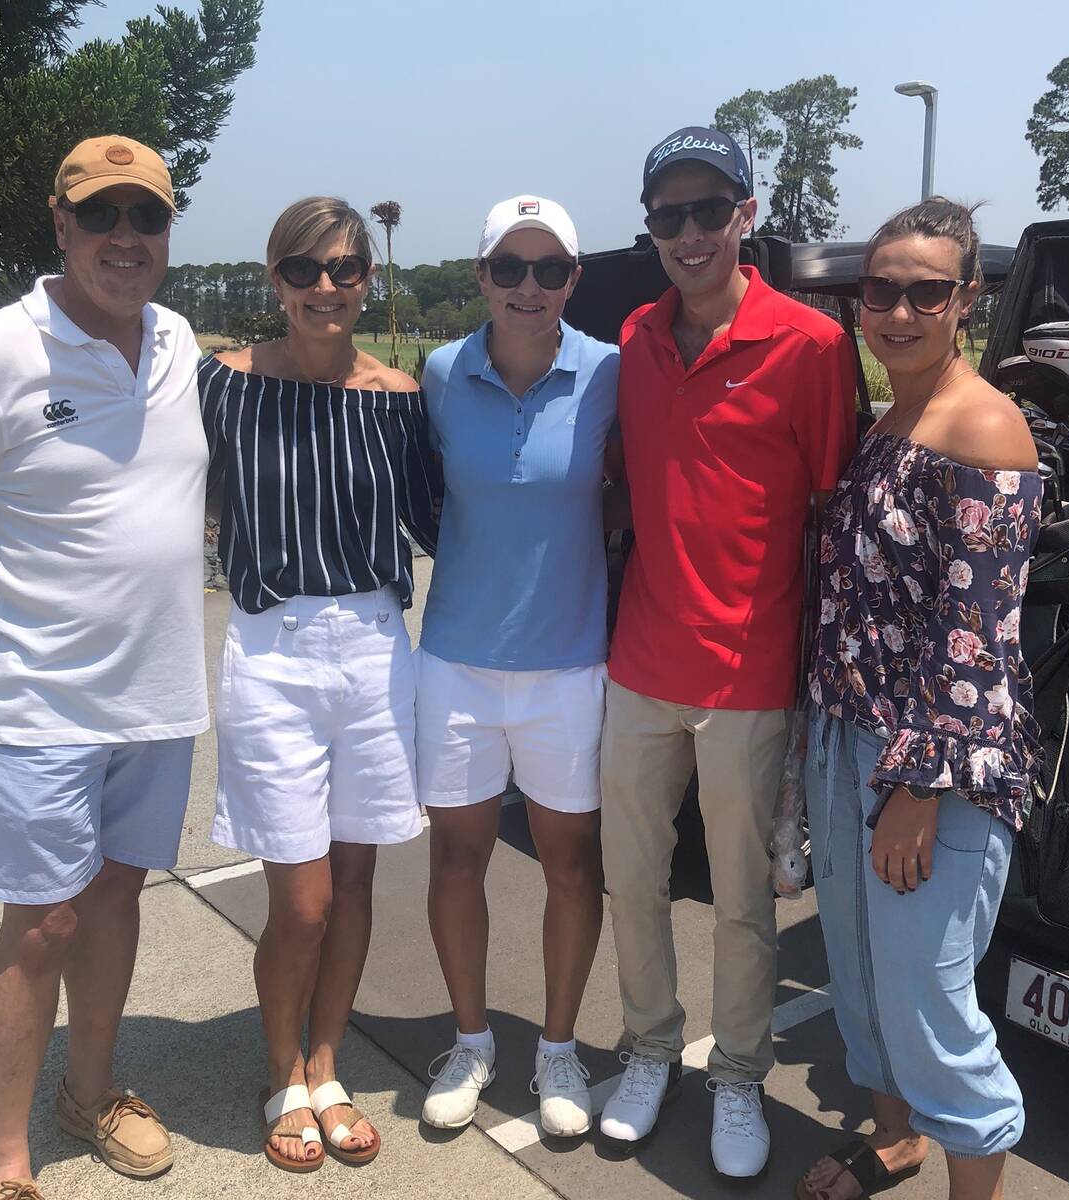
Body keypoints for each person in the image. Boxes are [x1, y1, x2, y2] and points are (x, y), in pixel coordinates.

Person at [0, 136, 206, 1200]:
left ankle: (94, 1089)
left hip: (157, 693)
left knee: (115, 902)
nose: (126, 238)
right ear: (61, 226)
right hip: (43, 701)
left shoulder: (179, 342)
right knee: (42, 925)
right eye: (102, 215)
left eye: (146, 218)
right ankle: (4, 1153)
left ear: (166, 234)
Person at [597, 125, 859, 1175]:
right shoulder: (635, 340)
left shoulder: (813, 346)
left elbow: (836, 510)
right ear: (653, 230)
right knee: (634, 879)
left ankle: (739, 1074)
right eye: (672, 215)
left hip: (750, 673)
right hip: (639, 663)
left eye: (713, 210)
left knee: (747, 904)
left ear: (748, 217)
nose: (692, 231)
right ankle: (653, 1048)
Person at [798, 198, 1040, 1200]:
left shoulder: (984, 424)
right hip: (843, 736)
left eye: (926, 292)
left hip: (931, 766)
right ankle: (893, 1139)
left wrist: (918, 789)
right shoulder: (890, 409)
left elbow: (975, 637)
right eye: (882, 290)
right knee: (859, 971)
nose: (900, 311)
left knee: (929, 993)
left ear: (967, 299)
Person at [200, 196, 441, 1172]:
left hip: (376, 648)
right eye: (304, 270)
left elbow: (439, 521)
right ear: (275, 280)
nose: (326, 287)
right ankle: (280, 1070)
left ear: (367, 279)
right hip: (272, 650)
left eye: (345, 269)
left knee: (353, 883)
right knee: (298, 901)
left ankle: (329, 1064)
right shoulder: (221, 385)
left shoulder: (397, 397)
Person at [416, 196, 617, 1137]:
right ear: (481, 274)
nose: (528, 288)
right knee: (456, 855)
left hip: (569, 666)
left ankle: (559, 1051)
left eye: (549, 270)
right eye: (510, 268)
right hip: (455, 660)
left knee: (570, 864)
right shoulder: (440, 372)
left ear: (574, 280)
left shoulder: (611, 372)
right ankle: (471, 1041)